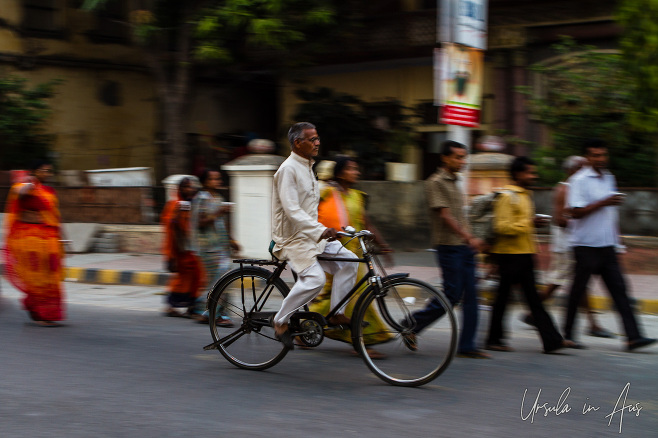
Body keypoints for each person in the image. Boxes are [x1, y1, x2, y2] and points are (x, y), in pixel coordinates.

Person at [271, 122, 359, 349]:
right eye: (312, 139)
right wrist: (320, 230)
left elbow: (310, 210)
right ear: (298, 143)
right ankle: (280, 320)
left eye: (318, 138)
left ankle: (337, 313)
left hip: (312, 236)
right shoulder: (288, 169)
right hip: (292, 239)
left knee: (350, 261)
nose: (317, 143)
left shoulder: (308, 167)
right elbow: (292, 210)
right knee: (316, 279)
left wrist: (325, 231)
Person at [564, 139, 655, 351]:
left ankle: (633, 337)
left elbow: (609, 214)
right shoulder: (579, 180)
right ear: (587, 158)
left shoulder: (609, 177)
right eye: (596, 155)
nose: (601, 159)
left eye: (603, 155)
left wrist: (617, 242)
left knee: (620, 290)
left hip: (606, 246)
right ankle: (567, 335)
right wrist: (604, 202)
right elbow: (575, 212)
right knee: (577, 292)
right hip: (585, 246)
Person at [406, 141, 490, 359]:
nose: (462, 162)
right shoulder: (435, 182)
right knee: (451, 295)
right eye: (458, 157)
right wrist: (468, 236)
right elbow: (444, 215)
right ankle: (412, 325)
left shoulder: (455, 181)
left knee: (472, 295)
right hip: (449, 246)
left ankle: (468, 345)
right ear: (445, 158)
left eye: (464, 157)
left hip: (464, 247)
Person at [485, 156, 574, 353]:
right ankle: (496, 339)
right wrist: (529, 223)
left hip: (524, 253)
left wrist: (531, 225)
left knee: (525, 298)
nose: (533, 176)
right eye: (529, 172)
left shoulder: (525, 195)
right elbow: (502, 227)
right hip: (509, 255)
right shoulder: (508, 196)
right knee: (507, 298)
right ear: (518, 174)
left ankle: (550, 340)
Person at [308, 156, 393, 358]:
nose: (356, 173)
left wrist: (382, 245)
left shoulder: (356, 195)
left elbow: (365, 222)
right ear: (340, 173)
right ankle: (361, 342)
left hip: (355, 254)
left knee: (339, 298)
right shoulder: (327, 192)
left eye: (356, 169)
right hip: (332, 250)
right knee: (354, 298)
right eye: (352, 169)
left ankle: (306, 327)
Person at [521, 155, 612, 338]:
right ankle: (534, 312)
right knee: (556, 283)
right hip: (566, 246)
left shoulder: (575, 187)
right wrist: (581, 220)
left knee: (579, 283)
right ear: (572, 170)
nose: (586, 170)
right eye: (582, 167)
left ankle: (592, 324)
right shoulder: (565, 189)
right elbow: (560, 219)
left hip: (573, 244)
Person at [3, 160, 66, 327]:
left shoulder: (50, 191)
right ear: (34, 171)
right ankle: (40, 314)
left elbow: (56, 217)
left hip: (49, 237)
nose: (47, 174)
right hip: (28, 238)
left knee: (50, 276)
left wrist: (64, 239)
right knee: (36, 277)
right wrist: (28, 184)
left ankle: (44, 312)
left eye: (49, 171)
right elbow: (20, 194)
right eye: (43, 171)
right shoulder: (22, 185)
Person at [190, 169, 240, 324]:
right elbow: (200, 222)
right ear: (205, 182)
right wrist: (219, 212)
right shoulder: (201, 198)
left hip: (221, 246)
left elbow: (221, 224)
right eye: (213, 179)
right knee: (220, 279)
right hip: (208, 247)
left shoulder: (217, 197)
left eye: (218, 178)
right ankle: (216, 314)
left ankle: (206, 311)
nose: (217, 181)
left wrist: (232, 240)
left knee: (220, 280)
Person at [161, 177, 205, 318]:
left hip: (191, 249)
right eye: (186, 187)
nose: (190, 189)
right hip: (179, 249)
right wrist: (173, 253)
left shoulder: (191, 204)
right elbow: (171, 226)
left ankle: (190, 306)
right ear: (180, 189)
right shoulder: (175, 204)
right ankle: (173, 305)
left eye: (191, 187)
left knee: (196, 276)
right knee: (182, 278)